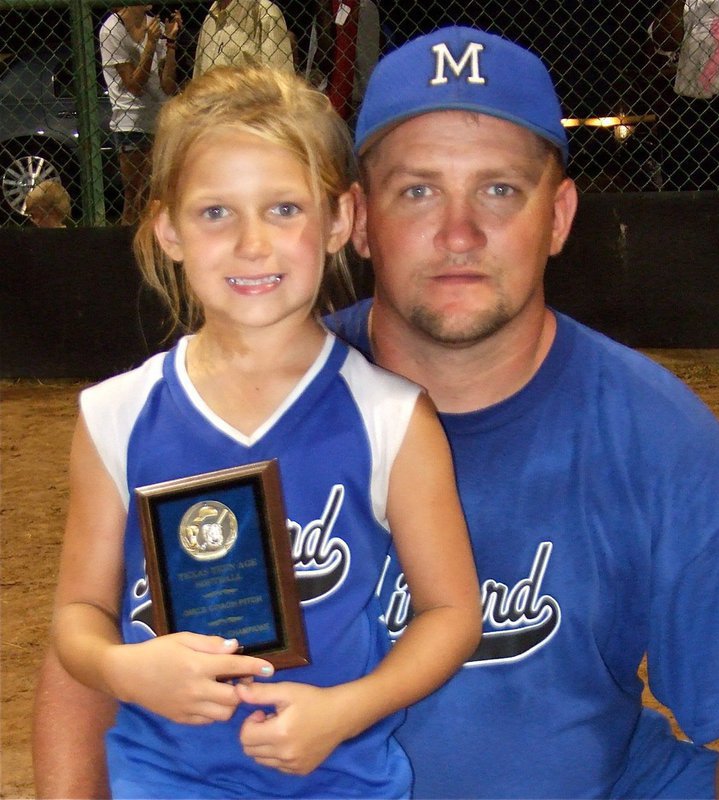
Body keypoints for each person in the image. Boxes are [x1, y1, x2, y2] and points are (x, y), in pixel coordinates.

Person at [32, 25, 719, 800]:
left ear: (558, 216)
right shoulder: (242, 403)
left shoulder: (656, 434)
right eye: (417, 190)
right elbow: (93, 637)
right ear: (355, 219)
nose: (458, 233)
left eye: (499, 189)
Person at [46, 63, 479, 799]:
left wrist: (345, 710)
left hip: (340, 779)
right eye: (216, 212)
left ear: (339, 220)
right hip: (163, 780)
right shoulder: (116, 415)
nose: (252, 244)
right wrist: (125, 669)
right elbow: (79, 613)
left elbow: (451, 613)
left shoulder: (390, 416)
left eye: (283, 209)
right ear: (168, 230)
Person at [99, 4, 181, 226]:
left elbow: (168, 85)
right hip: (130, 122)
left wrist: (171, 42)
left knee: (163, 197)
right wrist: (151, 44)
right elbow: (134, 84)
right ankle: (126, 254)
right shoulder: (112, 29)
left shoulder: (155, 24)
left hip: (161, 121)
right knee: (136, 199)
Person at [192, 0, 294, 78]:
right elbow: (197, 81)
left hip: (246, 104)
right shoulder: (209, 20)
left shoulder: (266, 13)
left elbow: (282, 85)